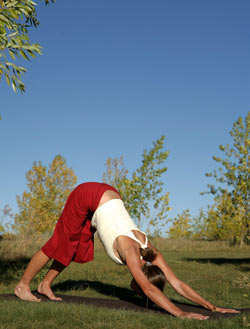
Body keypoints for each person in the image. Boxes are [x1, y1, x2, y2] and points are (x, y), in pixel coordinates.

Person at [15, 182, 239, 320]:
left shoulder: (151, 253)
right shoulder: (133, 253)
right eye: (139, 289)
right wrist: (180, 313)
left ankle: (45, 285)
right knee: (58, 243)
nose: (136, 290)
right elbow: (149, 289)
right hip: (88, 195)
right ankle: (22, 286)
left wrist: (213, 306)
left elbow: (178, 284)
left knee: (73, 247)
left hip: (108, 195)